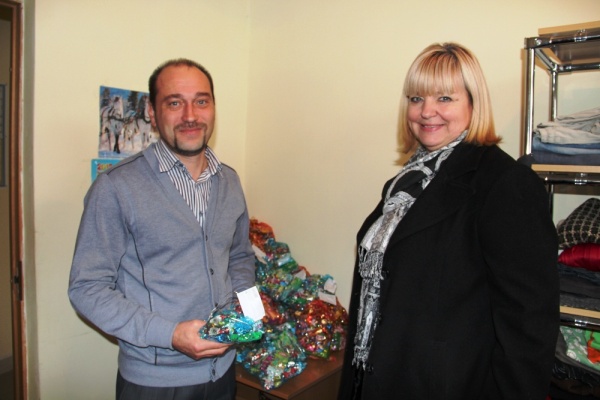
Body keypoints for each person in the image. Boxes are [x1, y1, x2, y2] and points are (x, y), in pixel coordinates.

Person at [338, 43, 560, 400]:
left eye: (444, 98)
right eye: (416, 98)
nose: (426, 111)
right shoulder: (406, 183)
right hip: (379, 375)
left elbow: (529, 322)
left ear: (474, 103)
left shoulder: (504, 183)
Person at [68, 59, 256, 400]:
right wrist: (169, 334)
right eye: (174, 103)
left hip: (224, 370)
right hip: (154, 382)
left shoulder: (230, 180)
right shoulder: (116, 187)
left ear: (213, 108)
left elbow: (239, 256)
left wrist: (251, 310)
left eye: (201, 101)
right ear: (152, 114)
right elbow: (87, 288)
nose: (190, 115)